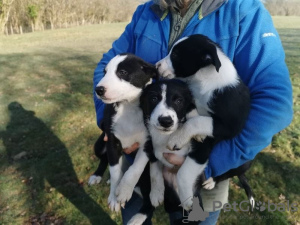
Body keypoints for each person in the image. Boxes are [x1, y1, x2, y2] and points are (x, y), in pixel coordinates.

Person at [93, 0, 293, 224]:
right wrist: (109, 120)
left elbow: (275, 103)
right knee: (134, 217)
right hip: (140, 162)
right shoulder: (147, 11)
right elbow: (108, 64)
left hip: (199, 172)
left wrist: (211, 162)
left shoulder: (242, 10)